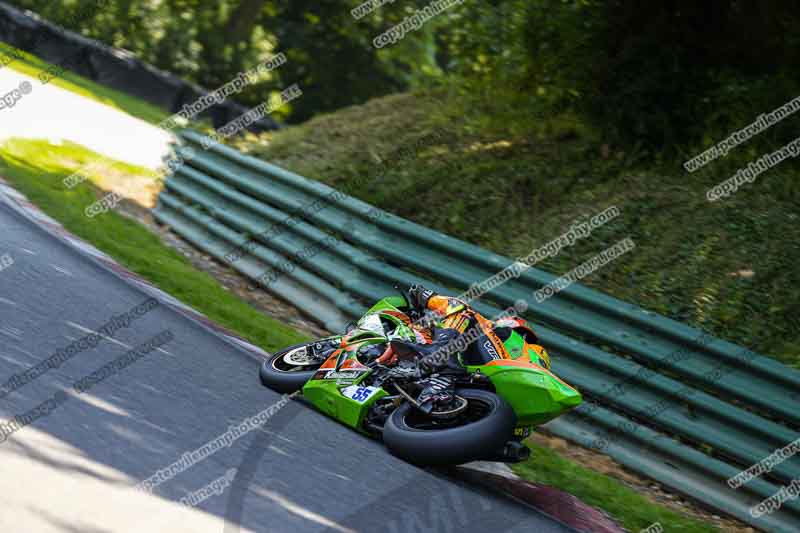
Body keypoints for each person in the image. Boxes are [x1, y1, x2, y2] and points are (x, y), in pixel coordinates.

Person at [377, 284, 550, 413]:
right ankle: (438, 381)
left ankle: (438, 358)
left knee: (460, 308)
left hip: (498, 371)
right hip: (486, 394)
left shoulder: (516, 341)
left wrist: (426, 298)